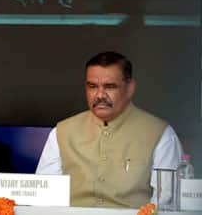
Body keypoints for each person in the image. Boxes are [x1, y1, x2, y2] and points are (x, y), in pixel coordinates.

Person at [36, 51, 183, 208]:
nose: (100, 95)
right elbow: (44, 198)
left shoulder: (159, 133)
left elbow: (167, 203)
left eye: (110, 86)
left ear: (130, 88)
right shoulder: (62, 132)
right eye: (92, 86)